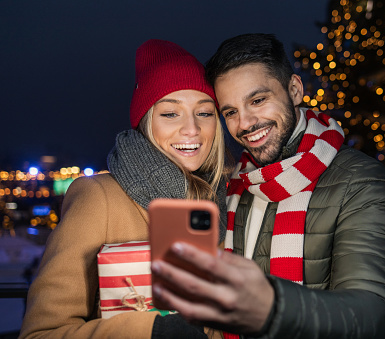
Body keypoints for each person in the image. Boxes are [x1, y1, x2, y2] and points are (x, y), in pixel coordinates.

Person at [150, 33, 385, 338]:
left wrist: (274, 308)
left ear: (294, 90)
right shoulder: (237, 183)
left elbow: (380, 318)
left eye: (257, 100)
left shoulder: (361, 181)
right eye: (230, 112)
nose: (245, 124)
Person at [19, 39, 229, 339]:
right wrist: (150, 331)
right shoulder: (99, 198)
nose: (192, 129)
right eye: (171, 113)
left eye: (205, 113)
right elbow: (39, 333)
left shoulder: (226, 197)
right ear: (146, 121)